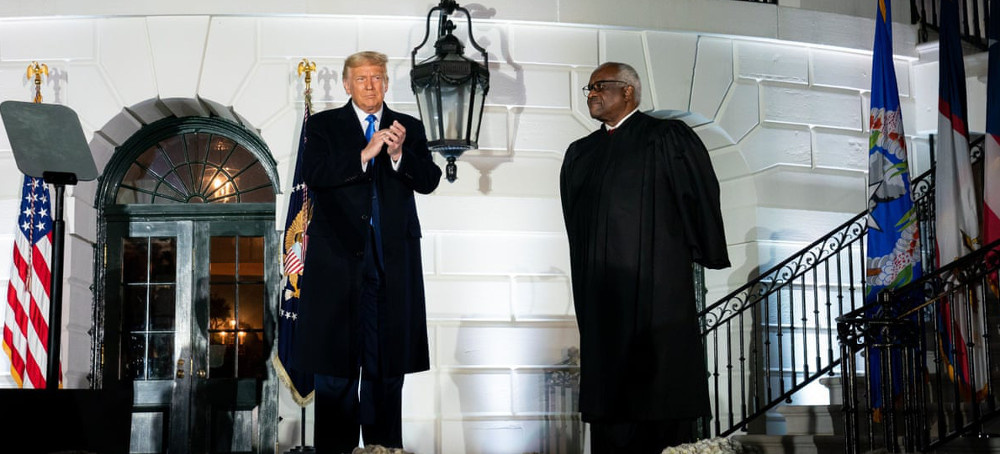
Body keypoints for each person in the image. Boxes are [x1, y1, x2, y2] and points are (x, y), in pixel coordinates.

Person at [560, 62, 731, 453]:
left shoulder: (666, 138)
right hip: (603, 300)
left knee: (659, 395)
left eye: (599, 87)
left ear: (628, 92)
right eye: (587, 89)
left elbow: (698, 196)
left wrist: (699, 248)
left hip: (657, 290)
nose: (591, 95)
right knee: (611, 404)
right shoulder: (581, 154)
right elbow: (575, 224)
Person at [294, 50, 442, 453]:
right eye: (362, 79)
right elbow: (315, 175)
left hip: (392, 266)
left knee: (386, 368)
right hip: (338, 265)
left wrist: (397, 155)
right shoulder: (324, 126)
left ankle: (384, 448)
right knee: (336, 371)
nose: (371, 85)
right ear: (347, 84)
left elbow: (429, 180)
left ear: (386, 83)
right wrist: (365, 153)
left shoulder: (407, 126)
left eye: (377, 77)